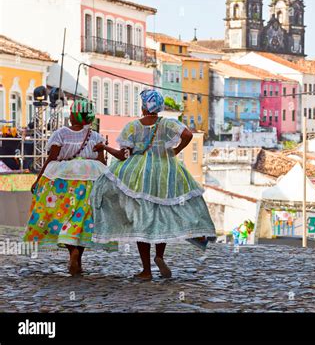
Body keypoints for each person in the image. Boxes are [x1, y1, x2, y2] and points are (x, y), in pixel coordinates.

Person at [91, 89, 216, 280]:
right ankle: (159, 256)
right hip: (166, 172)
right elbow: (188, 134)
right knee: (161, 214)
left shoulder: (133, 127)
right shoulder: (167, 123)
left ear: (143, 107)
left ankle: (146, 270)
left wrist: (105, 147)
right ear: (159, 107)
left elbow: (123, 155)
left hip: (138, 175)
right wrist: (176, 150)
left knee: (142, 220)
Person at [23, 100, 117, 276]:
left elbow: (52, 158)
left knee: (63, 217)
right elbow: (102, 162)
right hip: (90, 180)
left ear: (74, 115)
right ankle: (78, 258)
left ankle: (72, 253)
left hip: (63, 182)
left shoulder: (61, 133)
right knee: (81, 220)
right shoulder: (96, 136)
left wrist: (38, 179)